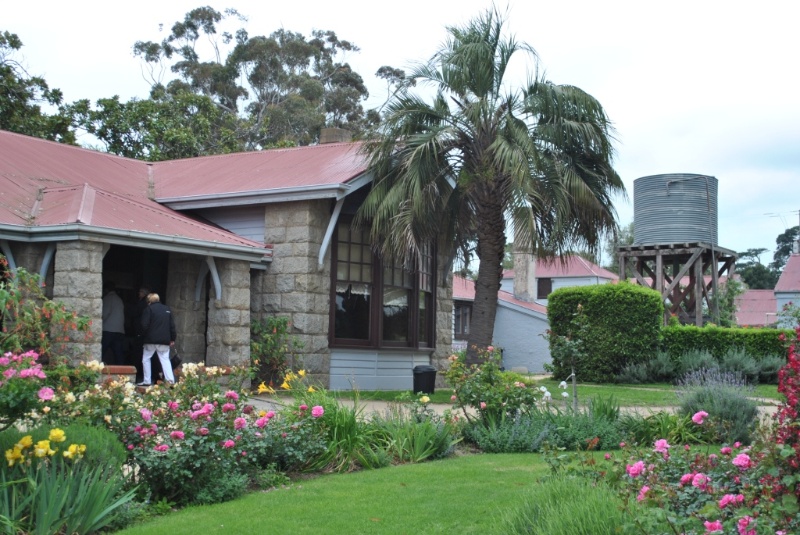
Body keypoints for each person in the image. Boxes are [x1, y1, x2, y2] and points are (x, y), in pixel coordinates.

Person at [137, 293, 176, 386]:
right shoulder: (167, 309)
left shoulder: (149, 309)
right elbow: (172, 326)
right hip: (164, 341)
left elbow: (144, 325)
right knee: (165, 359)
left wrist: (141, 335)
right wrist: (172, 338)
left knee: (146, 358)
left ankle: (147, 381)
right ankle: (170, 381)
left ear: (149, 301)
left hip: (150, 340)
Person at [101, 282, 126, 365]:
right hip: (119, 330)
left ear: (106, 290)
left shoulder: (108, 298)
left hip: (108, 330)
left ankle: (96, 368)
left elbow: (105, 313)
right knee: (118, 354)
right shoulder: (119, 299)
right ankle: (121, 372)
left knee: (101, 352)